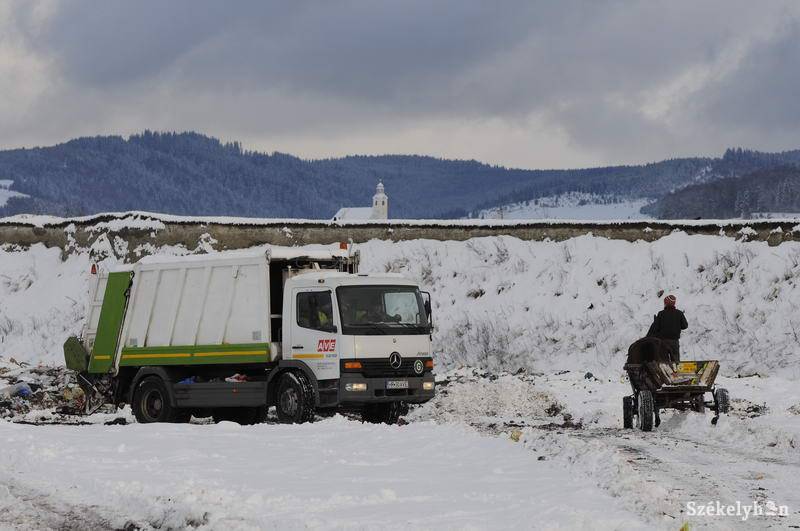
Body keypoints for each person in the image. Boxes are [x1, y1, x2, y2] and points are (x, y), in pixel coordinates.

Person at [647, 294, 688, 363]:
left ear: (666, 303)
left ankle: (666, 373)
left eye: (664, 302)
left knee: (664, 362)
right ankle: (675, 373)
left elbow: (655, 328)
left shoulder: (661, 314)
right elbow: (685, 326)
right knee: (675, 362)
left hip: (663, 342)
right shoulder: (679, 313)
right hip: (674, 342)